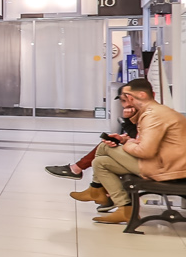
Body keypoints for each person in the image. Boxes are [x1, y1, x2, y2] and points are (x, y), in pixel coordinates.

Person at [71, 79, 186, 224]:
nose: (126, 102)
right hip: (166, 164)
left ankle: (96, 189)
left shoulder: (154, 115)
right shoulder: (155, 112)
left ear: (142, 95)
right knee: (100, 162)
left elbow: (145, 151)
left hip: (166, 169)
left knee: (105, 147)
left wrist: (126, 144)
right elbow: (151, 143)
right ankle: (124, 208)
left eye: (128, 97)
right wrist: (124, 140)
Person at [46, 91, 138, 196]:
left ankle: (100, 191)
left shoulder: (149, 115)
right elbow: (138, 137)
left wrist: (127, 137)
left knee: (103, 152)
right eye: (123, 101)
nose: (125, 105)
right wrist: (125, 137)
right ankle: (99, 190)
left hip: (146, 164)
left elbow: (143, 144)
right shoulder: (142, 112)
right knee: (104, 150)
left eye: (126, 100)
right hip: (139, 156)